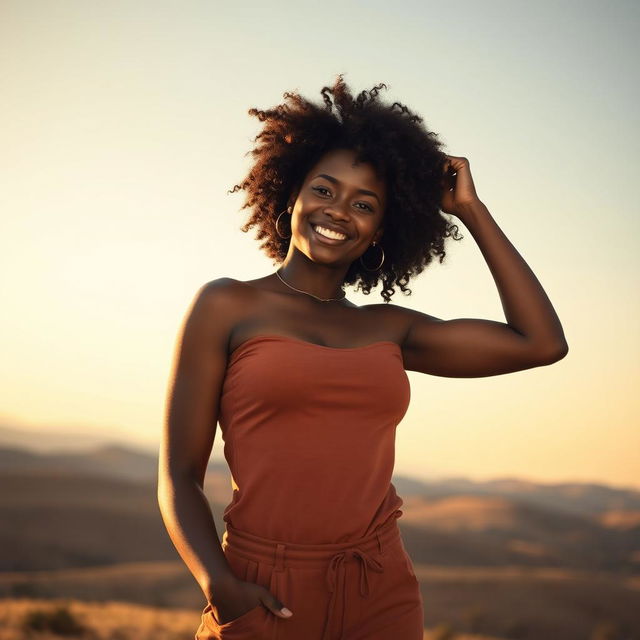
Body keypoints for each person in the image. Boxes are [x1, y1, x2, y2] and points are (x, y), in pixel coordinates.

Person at [157, 74, 568, 640]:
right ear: (292, 195)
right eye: (324, 190)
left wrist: (470, 210)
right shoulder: (227, 303)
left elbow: (540, 342)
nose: (339, 211)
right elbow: (178, 474)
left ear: (380, 230)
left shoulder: (388, 327)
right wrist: (219, 586)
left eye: (365, 203)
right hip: (263, 588)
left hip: (380, 587)